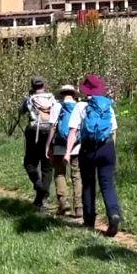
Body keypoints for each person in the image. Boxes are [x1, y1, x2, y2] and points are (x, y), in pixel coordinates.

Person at [64, 74, 121, 237]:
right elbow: (113, 131)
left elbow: (73, 131)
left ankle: (89, 221)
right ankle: (114, 215)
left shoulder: (81, 106)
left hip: (88, 149)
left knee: (88, 184)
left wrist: (68, 152)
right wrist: (111, 150)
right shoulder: (108, 105)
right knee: (107, 184)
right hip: (107, 147)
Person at [18, 76, 57, 210]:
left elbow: (21, 111)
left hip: (33, 131)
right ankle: (43, 198)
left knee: (29, 162)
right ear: (44, 85)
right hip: (50, 132)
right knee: (47, 165)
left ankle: (38, 185)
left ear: (33, 86)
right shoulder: (52, 99)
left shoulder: (29, 99)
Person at [46, 85, 82, 218]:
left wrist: (48, 145)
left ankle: (63, 203)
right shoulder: (80, 106)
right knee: (77, 175)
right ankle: (79, 207)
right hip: (77, 146)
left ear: (61, 94)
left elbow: (53, 127)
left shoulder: (56, 106)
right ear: (74, 94)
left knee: (60, 173)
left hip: (60, 146)